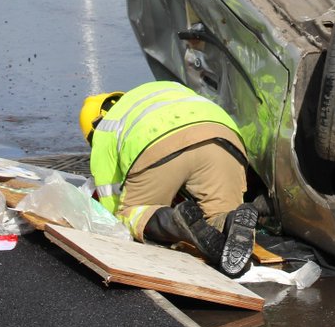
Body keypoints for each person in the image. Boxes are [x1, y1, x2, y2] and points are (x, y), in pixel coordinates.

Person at [79, 81, 258, 277]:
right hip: (224, 137)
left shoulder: (105, 130)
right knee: (218, 213)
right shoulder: (157, 93)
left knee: (131, 213)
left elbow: (110, 207)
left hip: (158, 144)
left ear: (93, 129)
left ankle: (177, 222)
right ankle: (231, 219)